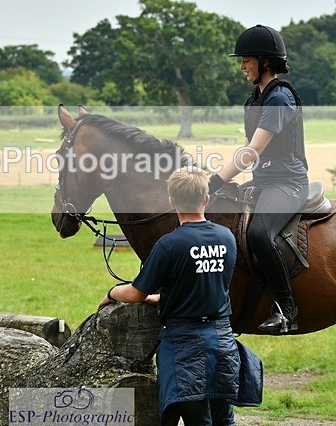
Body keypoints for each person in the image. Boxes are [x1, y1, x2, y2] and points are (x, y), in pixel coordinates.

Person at [99, 167, 239, 426]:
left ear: (172, 201)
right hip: (222, 342)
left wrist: (112, 292)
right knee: (224, 419)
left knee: (198, 421)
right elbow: (206, 286)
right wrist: (161, 299)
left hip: (185, 345)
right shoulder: (227, 237)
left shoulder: (169, 244)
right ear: (206, 199)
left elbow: (136, 292)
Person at [207, 24, 309, 334]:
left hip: (288, 183)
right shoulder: (256, 98)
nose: (241, 66)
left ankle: (286, 310)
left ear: (265, 62)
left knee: (260, 235)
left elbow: (251, 152)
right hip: (263, 181)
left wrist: (213, 182)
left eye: (246, 60)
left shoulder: (279, 99)